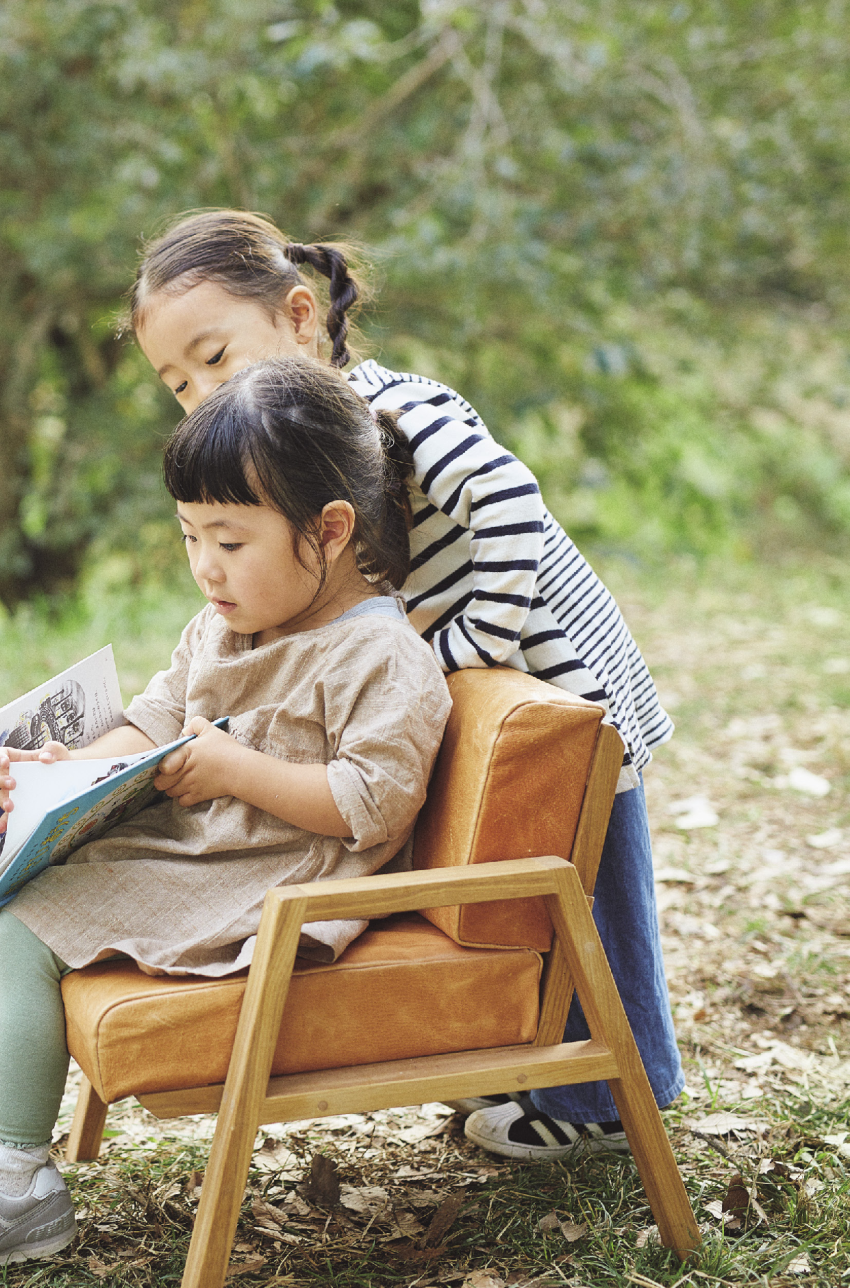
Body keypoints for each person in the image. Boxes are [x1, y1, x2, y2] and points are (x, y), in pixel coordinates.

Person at [0, 356, 453, 1272]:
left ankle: (15, 1191)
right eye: (188, 536)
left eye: (230, 540)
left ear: (330, 531)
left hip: (276, 883)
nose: (205, 566)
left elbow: (372, 804)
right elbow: (162, 713)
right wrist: (71, 770)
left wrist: (236, 770)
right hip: (204, 849)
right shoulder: (227, 621)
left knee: (27, 928)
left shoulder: (382, 657)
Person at [125, 209, 684, 1163]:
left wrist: (470, 640)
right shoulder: (300, 455)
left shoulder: (396, 412)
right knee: (518, 878)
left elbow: (509, 497)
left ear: (300, 319)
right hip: (487, 679)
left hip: (561, 676)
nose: (201, 392)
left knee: (598, 874)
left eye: (216, 358)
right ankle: (539, 1065)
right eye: (179, 383)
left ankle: (618, 1093)